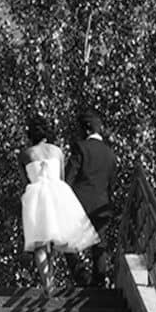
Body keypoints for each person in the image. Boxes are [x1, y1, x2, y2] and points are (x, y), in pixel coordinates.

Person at [19, 116, 99, 298]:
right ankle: (51, 281)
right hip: (57, 194)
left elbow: (24, 182)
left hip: (36, 197)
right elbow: (61, 177)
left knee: (39, 244)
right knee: (53, 241)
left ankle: (47, 285)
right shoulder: (57, 151)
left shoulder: (25, 154)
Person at [64, 109, 118, 288]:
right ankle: (99, 283)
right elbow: (111, 184)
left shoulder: (80, 147)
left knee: (66, 242)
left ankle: (82, 276)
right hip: (102, 206)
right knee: (99, 246)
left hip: (80, 205)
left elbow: (69, 178)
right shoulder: (111, 154)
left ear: (86, 130)